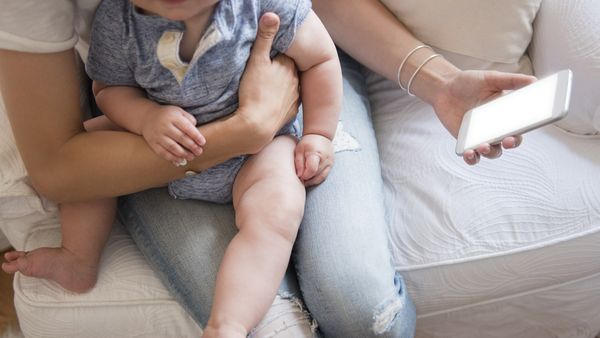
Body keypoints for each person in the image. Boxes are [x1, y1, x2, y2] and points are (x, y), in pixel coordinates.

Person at [8, 0, 338, 337]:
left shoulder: (261, 5)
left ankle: (228, 323)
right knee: (86, 156)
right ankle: (78, 258)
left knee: (277, 210)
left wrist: (318, 134)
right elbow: (109, 89)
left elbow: (320, 59)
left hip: (258, 154)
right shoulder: (116, 19)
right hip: (163, 147)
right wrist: (146, 117)